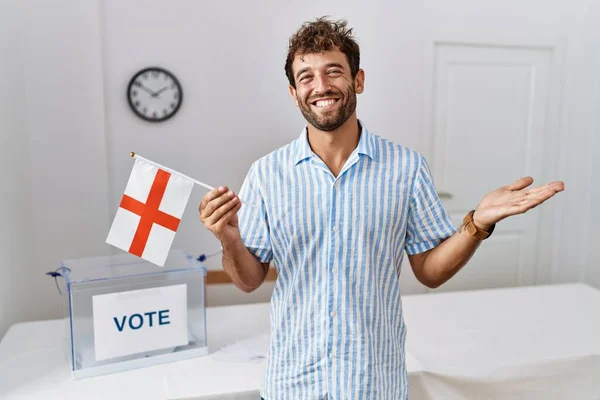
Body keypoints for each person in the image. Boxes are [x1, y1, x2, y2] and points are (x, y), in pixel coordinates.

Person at [199, 16, 564, 400]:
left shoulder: (406, 168)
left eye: (333, 71)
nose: (320, 86)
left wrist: (477, 224)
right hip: (293, 384)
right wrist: (228, 239)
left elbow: (430, 272)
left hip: (373, 383)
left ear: (358, 80)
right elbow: (249, 279)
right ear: (293, 92)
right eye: (305, 77)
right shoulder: (266, 174)